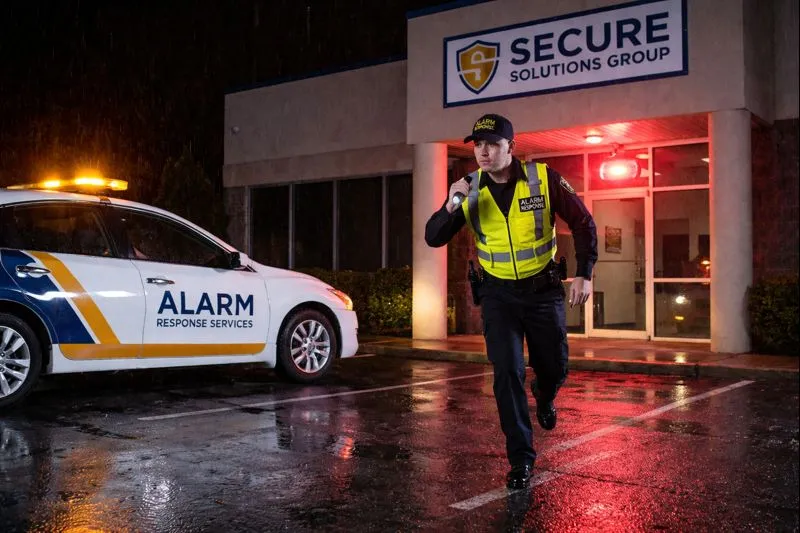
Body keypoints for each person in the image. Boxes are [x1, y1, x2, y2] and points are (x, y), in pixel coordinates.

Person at [424, 113, 598, 489]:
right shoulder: (468, 189)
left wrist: (585, 273)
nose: (483, 153)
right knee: (507, 373)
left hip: (541, 290)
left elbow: (583, 223)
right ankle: (521, 459)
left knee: (552, 365)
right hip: (498, 296)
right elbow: (433, 237)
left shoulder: (543, 179)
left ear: (510, 147)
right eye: (478, 146)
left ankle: (546, 392)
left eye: (492, 145)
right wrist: (452, 204)